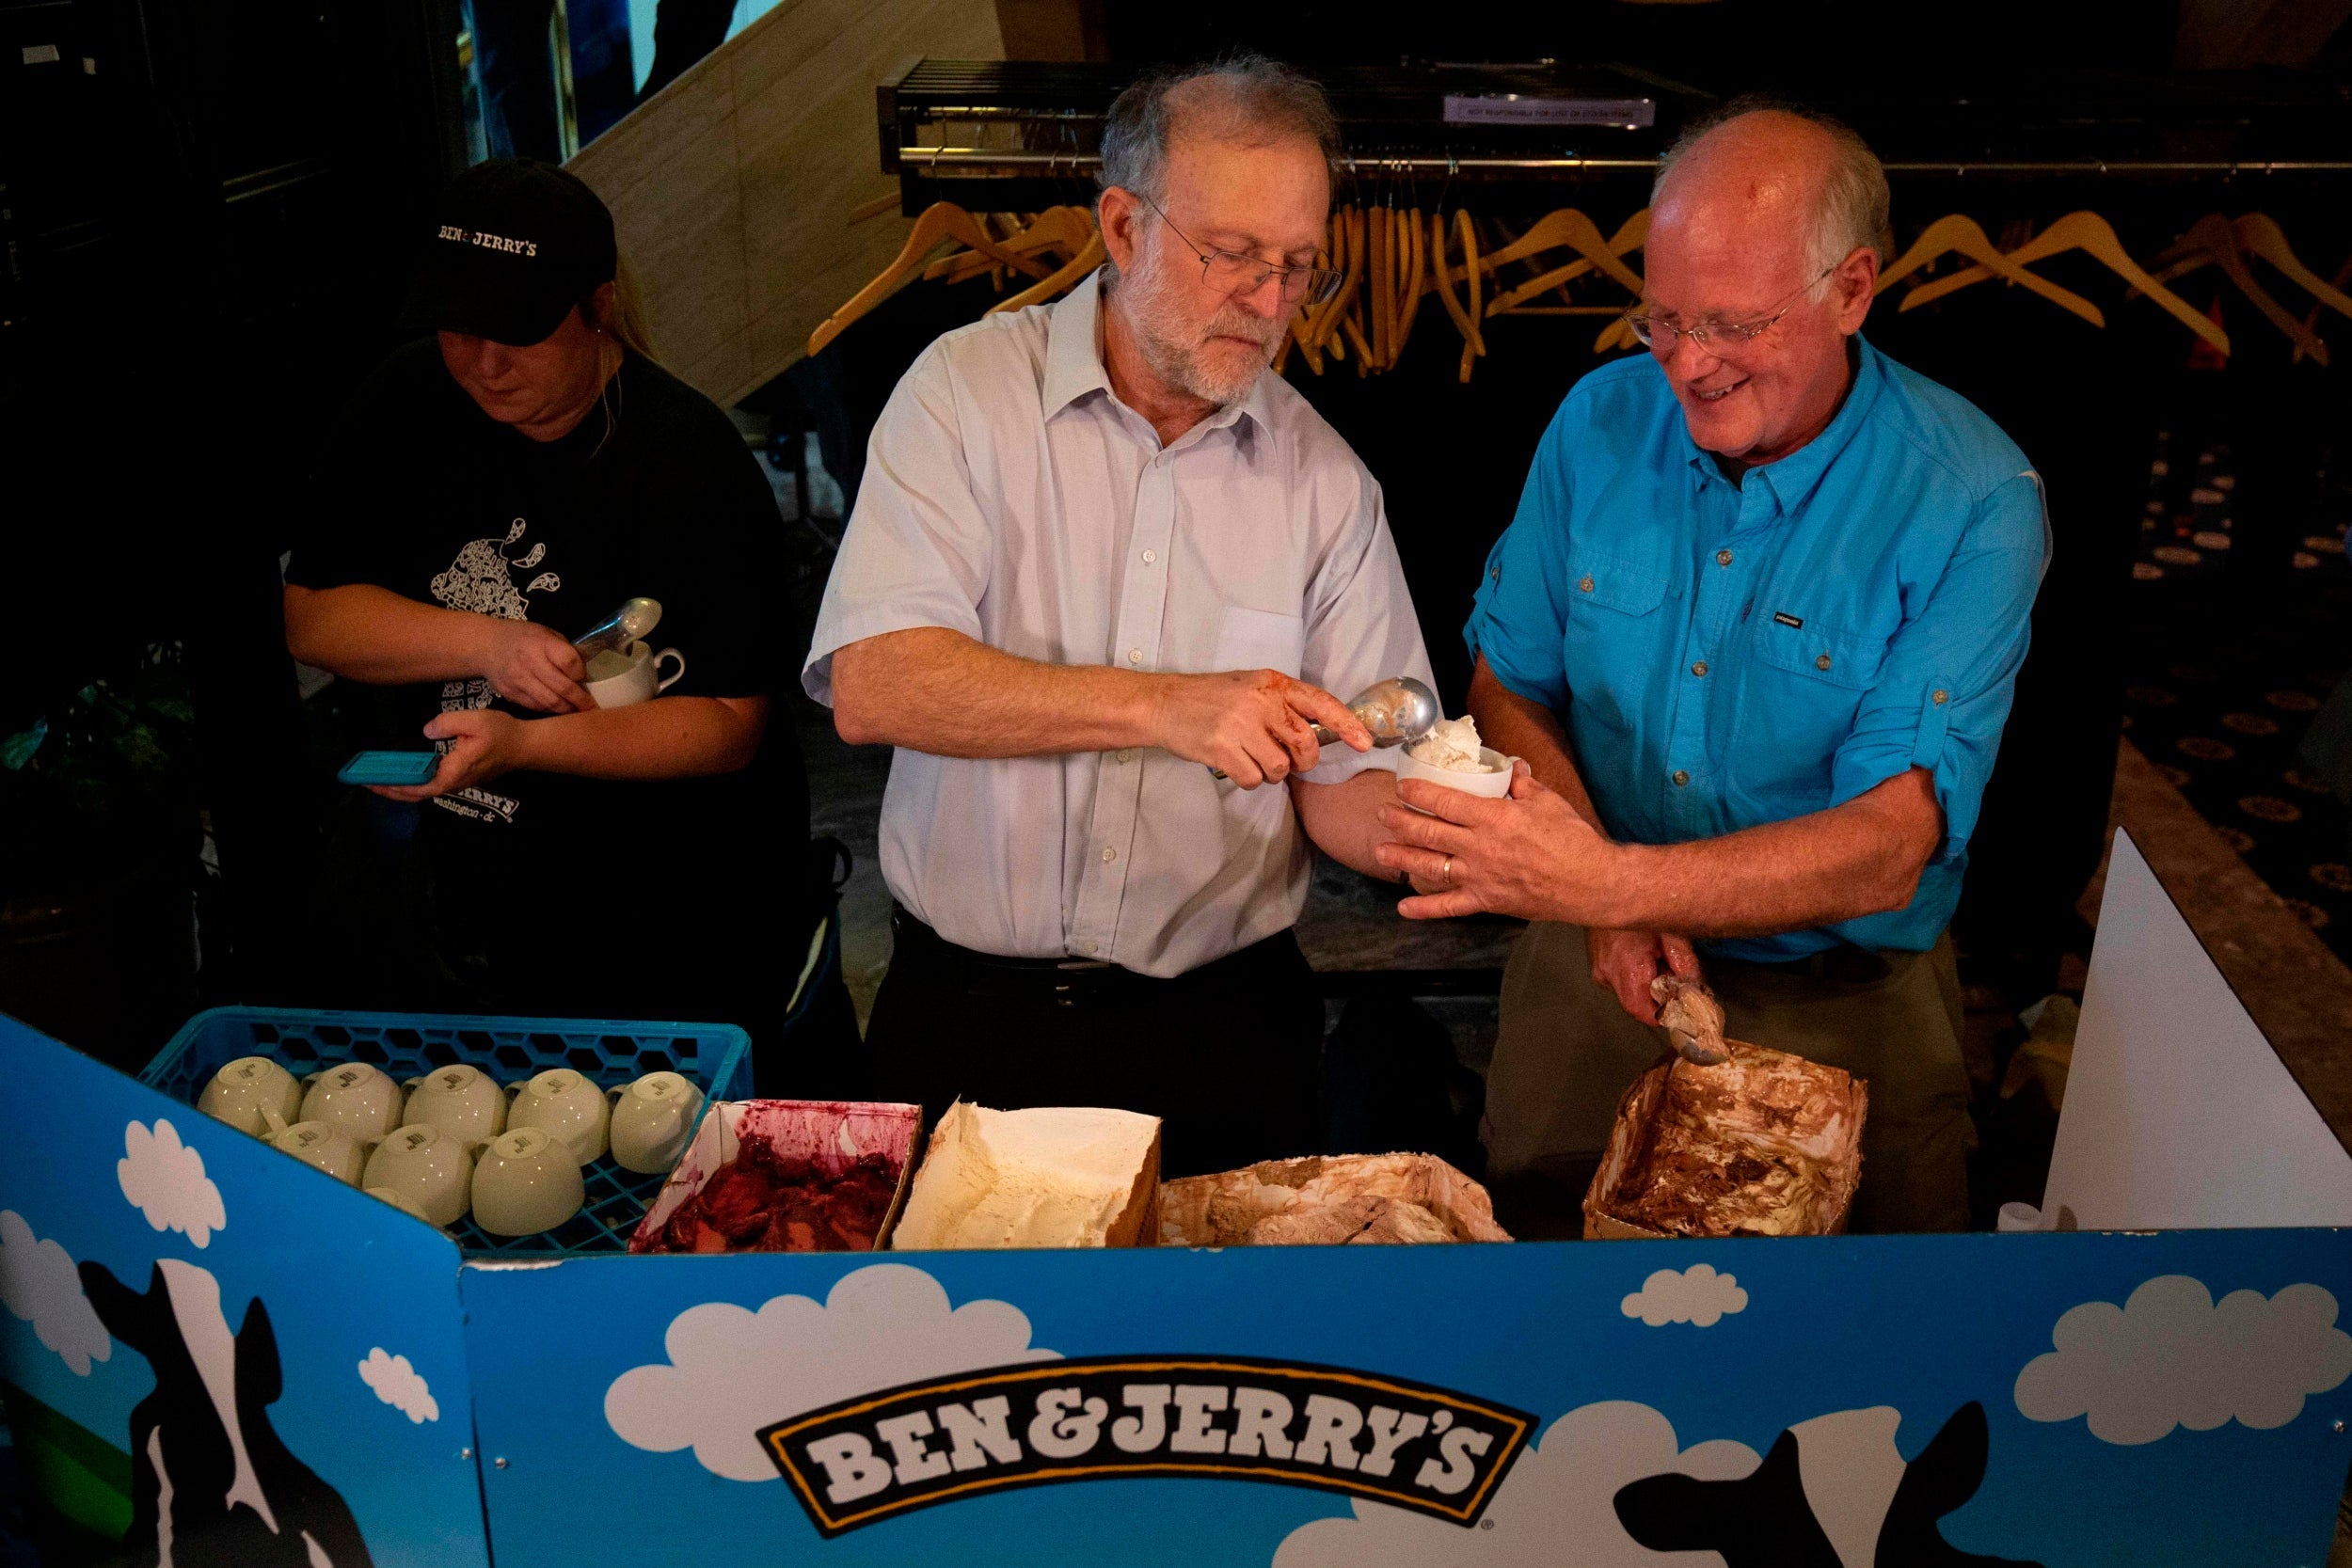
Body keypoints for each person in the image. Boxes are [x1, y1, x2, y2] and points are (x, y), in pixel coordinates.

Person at [1375, 101, 2049, 1232]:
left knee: (1857, 1358)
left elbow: (1889, 846)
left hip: (1845, 991)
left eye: (1733, 324)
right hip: (1594, 967)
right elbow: (1508, 680)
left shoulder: (1973, 497)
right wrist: (1600, 901)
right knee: (1539, 1298)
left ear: (1851, 289)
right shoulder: (1596, 419)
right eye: (1663, 319)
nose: (1689, 365)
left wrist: (1602, 883)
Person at [805, 56, 1433, 1178]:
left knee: (1220, 1355)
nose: (1270, 298)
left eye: (1298, 266)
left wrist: (1454, 830)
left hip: (1223, 1033)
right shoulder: (962, 396)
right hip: (966, 1018)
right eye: (1233, 254)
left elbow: (1348, 781)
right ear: (1123, 224)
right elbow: (876, 683)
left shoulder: (1324, 481)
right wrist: (1164, 706)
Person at [284, 158, 851, 1082]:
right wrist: (489, 642)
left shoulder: (688, 460)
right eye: (460, 331)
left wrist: (519, 744)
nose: (483, 364)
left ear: (596, 307)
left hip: (668, 915)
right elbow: (313, 619)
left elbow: (727, 726)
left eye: (518, 333)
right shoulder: (404, 401)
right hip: (464, 903)